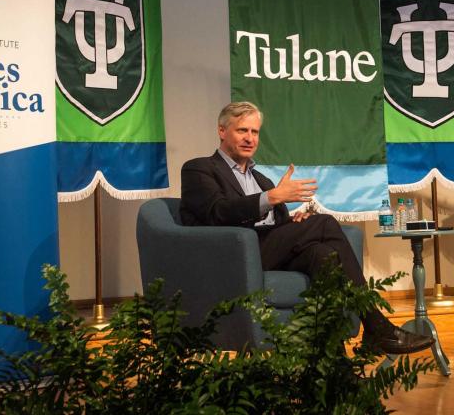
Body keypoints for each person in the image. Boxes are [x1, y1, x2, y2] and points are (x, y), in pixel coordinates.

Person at [180, 101, 434, 355]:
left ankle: (334, 360)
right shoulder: (199, 168)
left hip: (267, 248)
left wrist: (293, 223)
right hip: (235, 254)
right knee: (324, 223)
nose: (249, 138)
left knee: (323, 256)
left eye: (254, 132)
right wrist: (272, 197)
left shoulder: (260, 179)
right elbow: (218, 212)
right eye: (241, 131)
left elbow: (274, 224)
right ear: (222, 131)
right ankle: (376, 325)